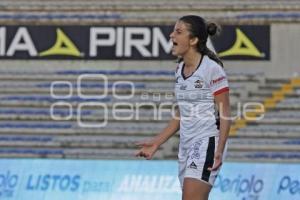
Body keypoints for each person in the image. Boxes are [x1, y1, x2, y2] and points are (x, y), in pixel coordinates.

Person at [136, 15, 231, 200]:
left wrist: (219, 150)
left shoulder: (211, 69)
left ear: (194, 40)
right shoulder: (180, 70)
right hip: (186, 144)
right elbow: (182, 113)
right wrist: (157, 142)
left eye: (178, 32)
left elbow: (225, 113)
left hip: (206, 141)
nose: (172, 35)